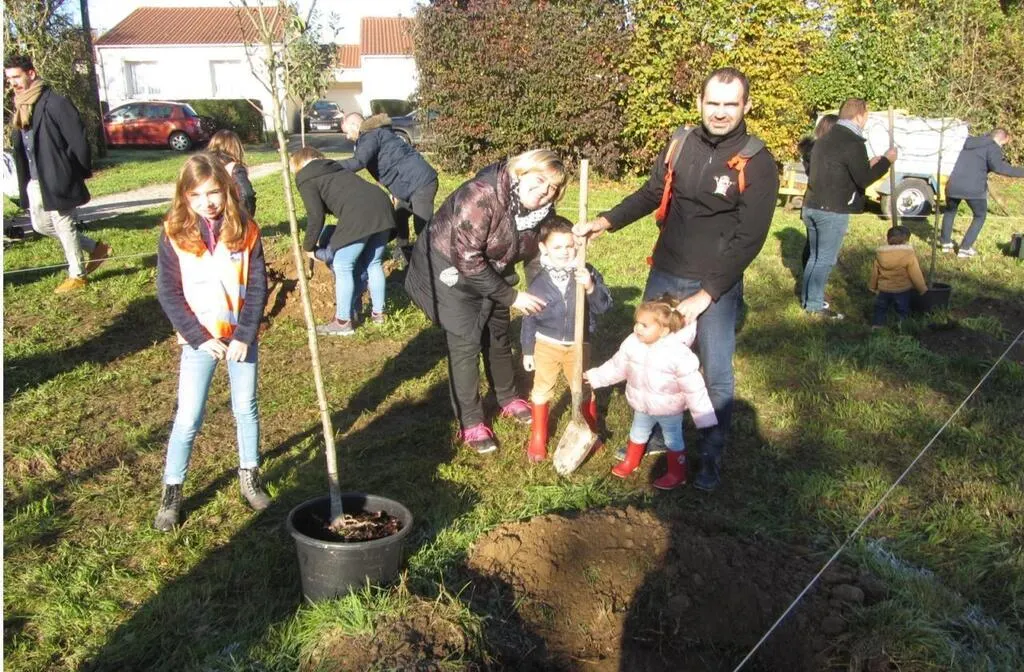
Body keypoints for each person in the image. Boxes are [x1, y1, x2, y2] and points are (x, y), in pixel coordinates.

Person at [574, 67, 779, 491]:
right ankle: (647, 437)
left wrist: (708, 294)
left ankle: (710, 455)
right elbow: (653, 193)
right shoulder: (680, 143)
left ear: (746, 106)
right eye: (713, 103)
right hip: (666, 272)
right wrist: (606, 221)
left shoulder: (758, 161)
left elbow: (750, 238)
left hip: (716, 282)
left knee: (714, 371)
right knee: (646, 356)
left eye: (730, 104)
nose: (720, 113)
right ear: (700, 102)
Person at [404, 149, 567, 454]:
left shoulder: (542, 212)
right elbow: (467, 258)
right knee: (465, 341)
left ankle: (506, 396)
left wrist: (544, 291)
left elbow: (535, 255)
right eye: (541, 179)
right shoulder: (481, 195)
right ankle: (471, 421)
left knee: (498, 332)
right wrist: (512, 295)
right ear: (521, 172)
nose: (546, 190)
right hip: (448, 268)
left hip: (493, 266)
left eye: (554, 187)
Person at [153, 153, 270, 531]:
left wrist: (244, 334)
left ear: (227, 189)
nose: (208, 202)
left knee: (245, 408)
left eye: (214, 192)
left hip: (239, 338)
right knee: (188, 416)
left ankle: (249, 476)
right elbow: (168, 293)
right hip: (198, 342)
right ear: (184, 197)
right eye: (197, 195)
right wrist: (199, 338)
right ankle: (172, 492)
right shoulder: (173, 233)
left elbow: (256, 287)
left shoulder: (245, 230)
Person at [584, 295, 718, 490]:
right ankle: (631, 460)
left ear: (664, 330)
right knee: (637, 432)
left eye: (644, 325)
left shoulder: (679, 355)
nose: (637, 328)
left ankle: (676, 472)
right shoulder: (632, 344)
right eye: (637, 323)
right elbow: (616, 366)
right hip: (642, 404)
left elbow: (695, 388)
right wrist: (596, 377)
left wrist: (704, 417)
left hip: (669, 410)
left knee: (673, 439)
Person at [5, 53, 110, 293]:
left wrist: (74, 171)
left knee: (64, 224)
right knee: (41, 225)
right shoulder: (21, 105)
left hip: (58, 176)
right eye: (8, 78)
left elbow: (78, 140)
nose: (12, 83)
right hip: (33, 179)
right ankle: (95, 248)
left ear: (31, 73)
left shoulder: (55, 103)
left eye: (16, 77)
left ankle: (77, 274)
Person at [520, 216, 613, 463]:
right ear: (544, 248)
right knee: (542, 389)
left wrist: (591, 287)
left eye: (570, 246)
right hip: (546, 345)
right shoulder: (539, 281)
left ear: (579, 245)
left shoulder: (586, 271)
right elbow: (529, 317)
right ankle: (538, 435)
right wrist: (528, 350)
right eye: (557, 247)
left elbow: (604, 307)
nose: (565, 252)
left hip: (578, 345)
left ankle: (588, 429)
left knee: (581, 387)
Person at [801, 98, 896, 320]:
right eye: (867, 117)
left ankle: (808, 299)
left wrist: (868, 164)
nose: (866, 122)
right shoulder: (852, 142)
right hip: (832, 210)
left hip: (812, 206)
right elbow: (863, 180)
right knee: (825, 259)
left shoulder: (824, 140)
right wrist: (886, 161)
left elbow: (839, 171)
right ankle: (814, 305)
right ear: (860, 115)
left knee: (815, 256)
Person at [290, 147, 395, 336]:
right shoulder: (334, 167)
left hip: (359, 214)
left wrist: (308, 247)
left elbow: (315, 216)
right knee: (374, 262)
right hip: (382, 204)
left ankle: (342, 322)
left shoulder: (305, 177)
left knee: (342, 264)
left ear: (298, 164)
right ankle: (379, 315)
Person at [341, 112, 439, 262]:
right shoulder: (375, 134)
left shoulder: (370, 135)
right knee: (399, 216)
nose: (346, 137)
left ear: (354, 125)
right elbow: (386, 162)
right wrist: (392, 190)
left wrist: (328, 166)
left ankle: (433, 260)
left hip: (421, 183)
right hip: (409, 185)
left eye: (346, 132)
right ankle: (404, 251)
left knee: (422, 227)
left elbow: (359, 162)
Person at [939, 128, 1024, 259]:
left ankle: (945, 243)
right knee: (980, 216)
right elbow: (999, 167)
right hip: (973, 188)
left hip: (953, 184)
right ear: (1003, 138)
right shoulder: (993, 147)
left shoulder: (971, 142)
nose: (1002, 147)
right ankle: (965, 248)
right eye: (1004, 144)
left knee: (950, 212)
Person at [799, 114, 839, 272]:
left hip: (811, 201)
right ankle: (813, 290)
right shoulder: (824, 152)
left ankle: (809, 286)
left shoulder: (813, 150)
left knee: (812, 246)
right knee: (821, 252)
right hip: (825, 204)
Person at [868, 225, 928, 328]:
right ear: (905, 241)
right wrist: (922, 288)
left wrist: (872, 287)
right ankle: (901, 327)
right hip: (902, 290)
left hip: (884, 289)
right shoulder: (908, 255)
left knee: (880, 309)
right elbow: (915, 273)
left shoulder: (880, 255)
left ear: (888, 239)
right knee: (902, 310)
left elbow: (875, 272)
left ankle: (877, 326)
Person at [208, 129, 257, 217]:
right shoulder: (235, 168)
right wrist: (246, 216)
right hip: (230, 216)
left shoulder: (206, 164)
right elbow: (247, 194)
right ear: (235, 147)